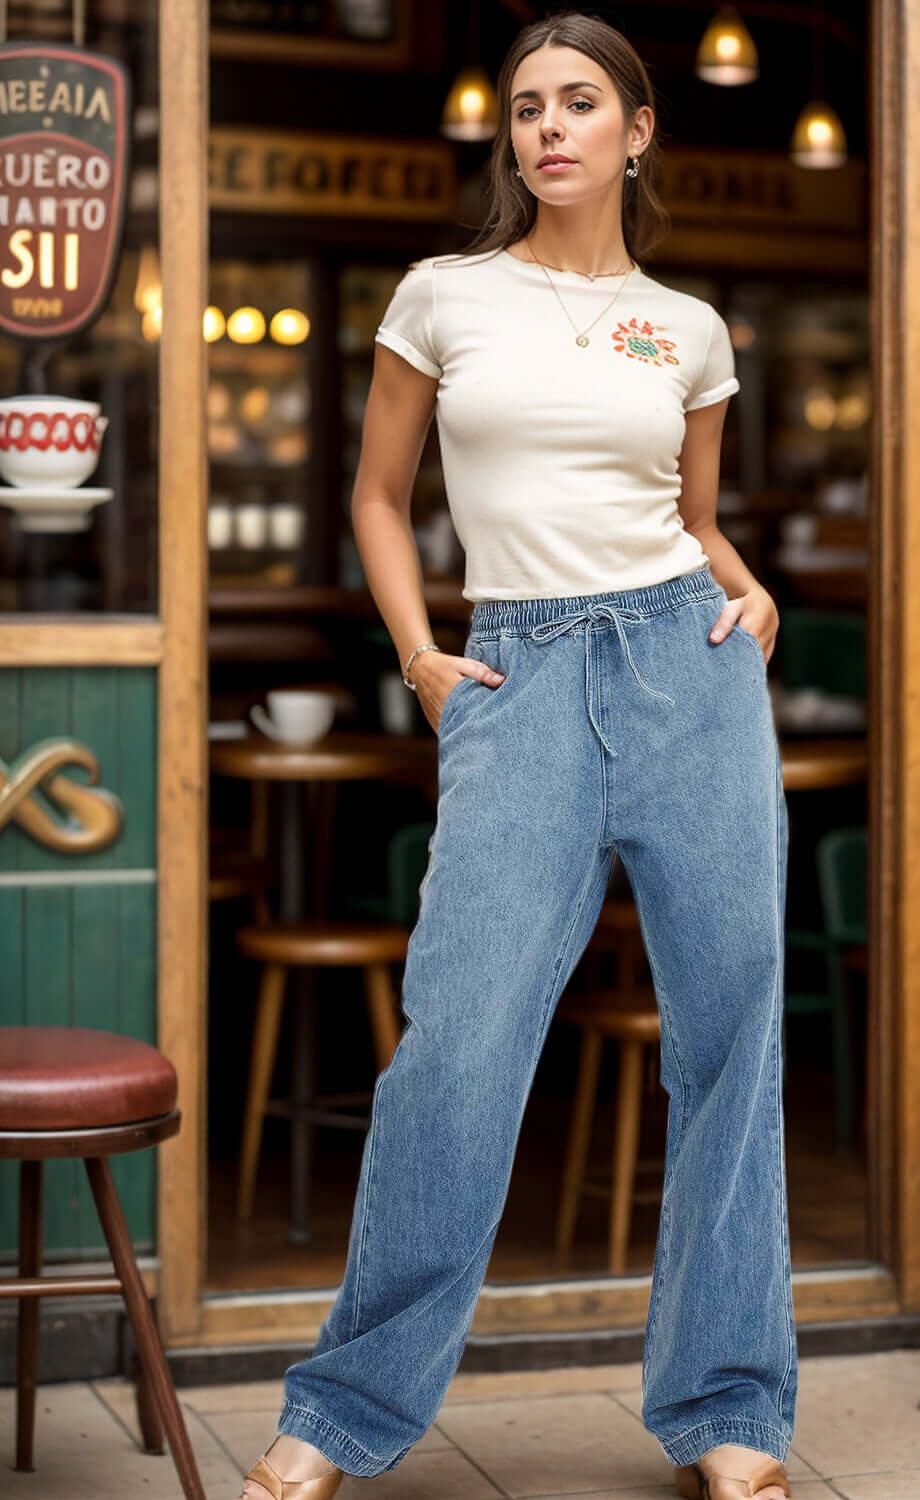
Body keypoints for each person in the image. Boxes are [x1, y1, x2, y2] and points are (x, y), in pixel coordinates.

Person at [237, 11, 794, 1500]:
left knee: (731, 1040)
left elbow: (691, 513)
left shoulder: (686, 327)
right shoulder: (443, 295)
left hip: (687, 669)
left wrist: (751, 587)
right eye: (528, 106)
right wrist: (421, 657)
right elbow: (373, 493)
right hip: (517, 671)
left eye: (580, 103)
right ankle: (344, 1409)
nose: (548, 126)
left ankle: (731, 1408)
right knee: (460, 1050)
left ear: (637, 129)